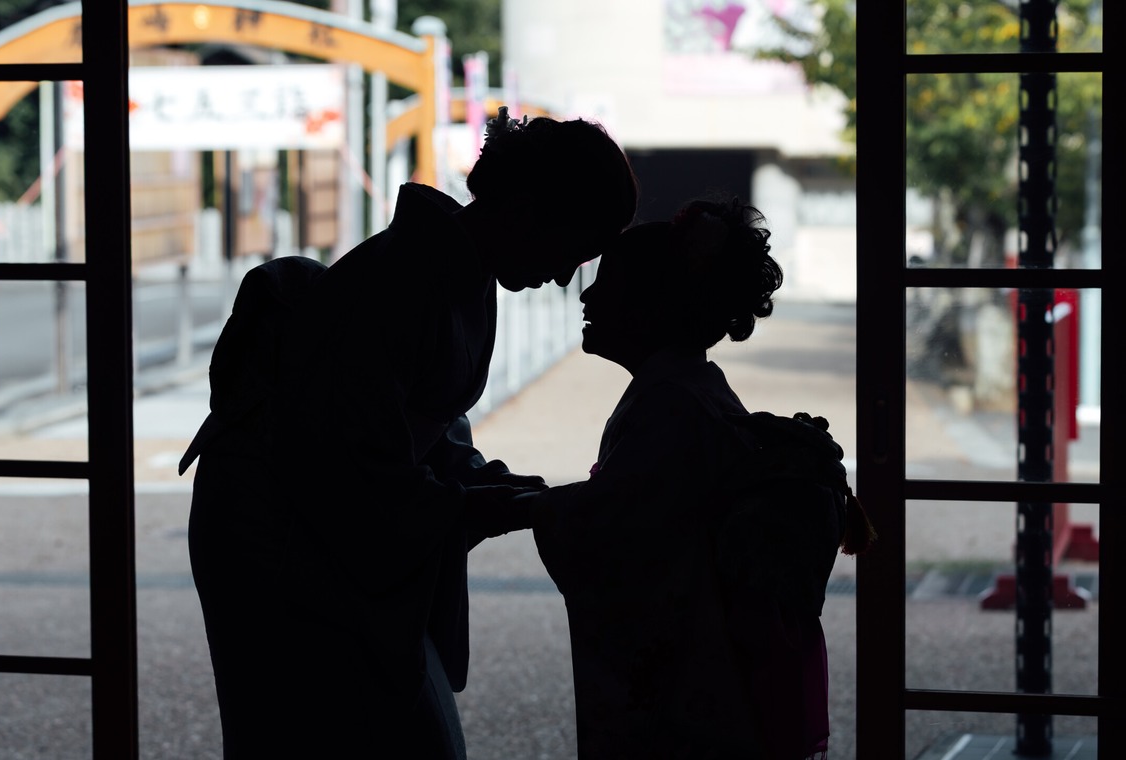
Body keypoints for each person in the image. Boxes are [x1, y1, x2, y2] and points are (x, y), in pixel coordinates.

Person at [180, 107, 638, 758]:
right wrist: (475, 506)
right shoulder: (402, 280)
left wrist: (481, 482)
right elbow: (350, 466)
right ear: (525, 212)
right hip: (274, 527)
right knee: (309, 730)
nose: (565, 277)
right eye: (569, 253)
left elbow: (426, 428)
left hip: (316, 517)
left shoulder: (452, 268)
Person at [509, 199, 875, 759]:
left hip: (689, 685)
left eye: (609, 284)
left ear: (654, 306)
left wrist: (518, 508)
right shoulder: (691, 391)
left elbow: (612, 530)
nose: (587, 297)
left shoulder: (671, 407)